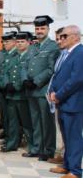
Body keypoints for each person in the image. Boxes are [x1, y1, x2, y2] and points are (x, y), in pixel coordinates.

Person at [23, 15, 60, 161]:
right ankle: (37, 148)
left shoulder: (53, 47)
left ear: (48, 29)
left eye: (42, 28)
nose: (39, 31)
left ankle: (48, 149)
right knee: (35, 120)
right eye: (37, 28)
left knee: (46, 121)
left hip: (44, 90)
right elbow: (24, 65)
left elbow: (52, 69)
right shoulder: (32, 47)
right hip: (31, 90)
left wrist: (36, 81)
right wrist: (25, 79)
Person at [48, 25, 83, 178]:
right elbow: (59, 75)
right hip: (63, 102)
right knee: (66, 137)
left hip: (73, 103)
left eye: (64, 36)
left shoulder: (80, 53)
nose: (61, 39)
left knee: (74, 137)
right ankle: (67, 165)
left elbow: (76, 79)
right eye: (60, 36)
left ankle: (75, 170)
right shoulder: (67, 53)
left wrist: (59, 94)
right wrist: (53, 93)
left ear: (76, 36)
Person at [2, 32, 36, 155]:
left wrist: (16, 86)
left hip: (23, 95)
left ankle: (32, 146)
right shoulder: (13, 56)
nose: (20, 44)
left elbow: (28, 74)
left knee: (27, 123)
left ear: (28, 42)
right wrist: (7, 84)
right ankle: (12, 144)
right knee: (13, 122)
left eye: (22, 41)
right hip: (11, 95)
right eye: (18, 42)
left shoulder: (31, 56)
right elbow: (6, 72)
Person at [47, 27, 66, 165]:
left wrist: (58, 94)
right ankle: (64, 155)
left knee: (72, 134)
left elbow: (75, 79)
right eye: (57, 38)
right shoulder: (62, 54)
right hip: (57, 98)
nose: (58, 41)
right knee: (63, 131)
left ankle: (71, 164)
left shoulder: (76, 54)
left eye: (61, 38)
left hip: (67, 98)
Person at [0, 32, 17, 142]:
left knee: (12, 115)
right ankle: (7, 133)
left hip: (11, 88)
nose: (5, 44)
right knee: (5, 113)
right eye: (4, 42)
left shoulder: (16, 54)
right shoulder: (3, 54)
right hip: (1, 87)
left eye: (7, 41)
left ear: (14, 42)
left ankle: (13, 137)